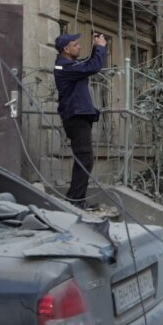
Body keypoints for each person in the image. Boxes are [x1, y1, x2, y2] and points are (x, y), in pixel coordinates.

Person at [53, 32, 107, 209]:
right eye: (76, 45)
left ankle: (76, 199)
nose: (79, 46)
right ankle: (75, 201)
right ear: (66, 49)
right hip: (76, 117)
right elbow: (92, 67)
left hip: (79, 115)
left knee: (84, 159)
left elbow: (88, 63)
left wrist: (95, 47)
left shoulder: (69, 64)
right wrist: (100, 48)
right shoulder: (65, 67)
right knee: (85, 159)